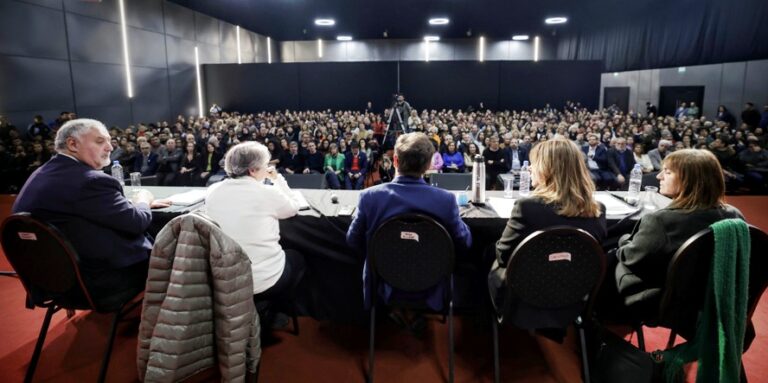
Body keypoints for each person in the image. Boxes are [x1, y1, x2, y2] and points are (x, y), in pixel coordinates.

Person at [12, 118, 169, 308]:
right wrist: (144, 199)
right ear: (72, 144)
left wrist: (128, 205)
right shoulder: (91, 181)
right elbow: (137, 222)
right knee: (174, 245)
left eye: (110, 141)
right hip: (99, 284)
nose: (110, 147)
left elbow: (80, 208)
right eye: (100, 141)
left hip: (50, 281)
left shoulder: (41, 173)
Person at [488, 138, 606, 383]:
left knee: (487, 253)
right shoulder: (598, 209)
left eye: (533, 164)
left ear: (547, 169)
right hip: (572, 295)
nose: (529, 169)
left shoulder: (528, 207)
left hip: (522, 295)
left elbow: (503, 255)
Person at [347, 132, 472, 315]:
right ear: (429, 165)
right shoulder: (446, 200)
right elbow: (465, 243)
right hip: (431, 282)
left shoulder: (369, 197)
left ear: (395, 161)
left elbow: (352, 240)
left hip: (384, 281)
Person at [611, 149, 744, 318]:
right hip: (712, 299)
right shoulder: (735, 215)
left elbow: (630, 257)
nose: (659, 177)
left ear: (690, 180)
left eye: (667, 172)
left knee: (612, 258)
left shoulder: (662, 221)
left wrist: (624, 239)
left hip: (668, 303)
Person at [205, 141, 305, 301]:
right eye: (265, 165)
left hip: (225, 280)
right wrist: (277, 179)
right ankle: (274, 311)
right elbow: (294, 207)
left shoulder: (212, 191)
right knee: (297, 258)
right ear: (252, 170)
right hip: (262, 281)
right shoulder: (267, 192)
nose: (268, 168)